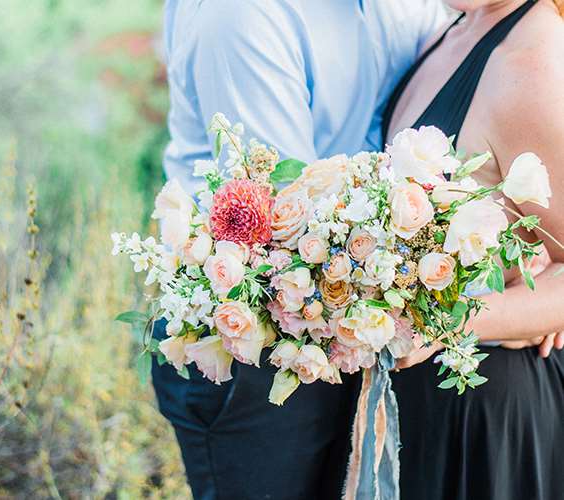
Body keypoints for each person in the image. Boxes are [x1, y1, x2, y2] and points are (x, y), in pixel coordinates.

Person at [152, 1, 446, 499]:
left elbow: (469, 58)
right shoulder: (244, 16)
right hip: (249, 336)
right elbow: (289, 220)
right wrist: (508, 306)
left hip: (342, 318)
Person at [381, 1, 564, 499]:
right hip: (421, 400)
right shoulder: (463, 24)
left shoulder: (531, 64)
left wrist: (454, 321)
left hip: (482, 413)